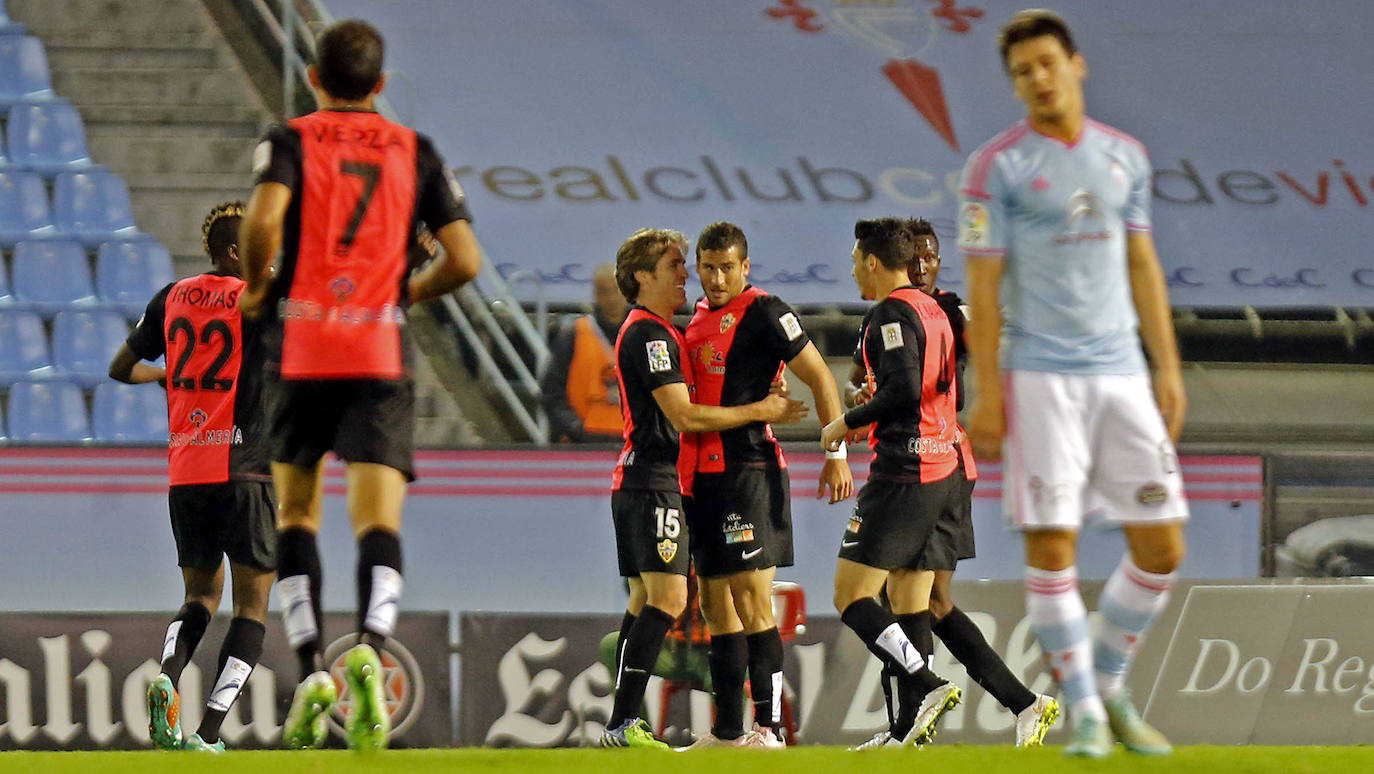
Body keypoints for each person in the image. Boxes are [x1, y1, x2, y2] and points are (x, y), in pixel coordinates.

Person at [237, 18, 483, 751]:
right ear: (380, 85)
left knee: (297, 516)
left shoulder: (291, 139)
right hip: (378, 352)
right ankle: (371, 646)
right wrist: (404, 292)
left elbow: (263, 218)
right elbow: (466, 260)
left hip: (306, 344)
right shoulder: (416, 149)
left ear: (314, 78)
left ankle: (313, 666)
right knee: (378, 522)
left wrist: (256, 285)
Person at [959, 9, 1188, 758]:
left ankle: (1107, 685)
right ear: (1016, 83)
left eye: (1048, 63)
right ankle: (1084, 711)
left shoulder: (1127, 158)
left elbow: (1143, 268)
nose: (1038, 79)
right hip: (1040, 376)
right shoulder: (994, 169)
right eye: (1023, 71)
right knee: (1052, 545)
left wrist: (1167, 368)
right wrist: (987, 393)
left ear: (1076, 65)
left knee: (1162, 547)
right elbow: (983, 289)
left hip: (1121, 373)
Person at [844, 218, 1058, 748]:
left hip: (934, 462)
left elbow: (991, 334)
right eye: (915, 255)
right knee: (917, 599)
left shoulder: (941, 309)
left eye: (931, 257)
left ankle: (930, 713)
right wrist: (864, 393)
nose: (922, 265)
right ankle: (986, 711)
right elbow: (865, 376)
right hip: (937, 457)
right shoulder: (906, 313)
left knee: (917, 599)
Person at [599, 228, 807, 749]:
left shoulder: (659, 330)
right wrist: (764, 410)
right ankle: (624, 724)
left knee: (646, 598)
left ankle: (626, 723)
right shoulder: (650, 335)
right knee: (666, 598)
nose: (685, 275)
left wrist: (762, 382)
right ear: (643, 276)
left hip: (655, 482)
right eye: (674, 266)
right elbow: (686, 415)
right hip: (654, 482)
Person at [679, 222, 853, 749]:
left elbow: (820, 376)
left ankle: (770, 728)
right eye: (707, 267)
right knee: (713, 604)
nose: (716, 277)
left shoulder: (767, 311)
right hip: (701, 477)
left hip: (749, 472)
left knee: (753, 600)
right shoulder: (699, 318)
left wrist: (835, 452)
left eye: (726, 267)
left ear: (745, 267)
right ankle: (729, 732)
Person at [108, 202, 274, 753]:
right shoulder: (257, 299)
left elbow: (119, 367)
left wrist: (168, 374)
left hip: (187, 471)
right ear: (234, 251)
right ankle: (207, 732)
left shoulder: (172, 296)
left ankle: (167, 677)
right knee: (251, 605)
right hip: (245, 466)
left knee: (200, 594)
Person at [820, 218, 963, 748]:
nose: (854, 269)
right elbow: (932, 389)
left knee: (851, 595)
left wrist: (845, 423)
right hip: (941, 466)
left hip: (903, 470)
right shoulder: (936, 309)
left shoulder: (891, 312)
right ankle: (909, 732)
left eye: (857, 260)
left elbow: (903, 388)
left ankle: (925, 686)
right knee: (909, 598)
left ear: (873, 261)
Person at [541, 262, 628, 443]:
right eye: (604, 291)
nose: (612, 298)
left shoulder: (646, 333)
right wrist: (576, 429)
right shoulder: (574, 334)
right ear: (595, 295)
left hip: (635, 443)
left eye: (617, 290)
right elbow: (551, 392)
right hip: (583, 444)